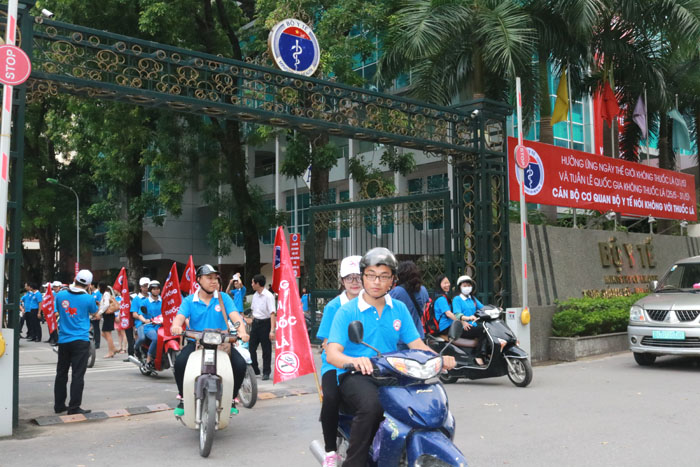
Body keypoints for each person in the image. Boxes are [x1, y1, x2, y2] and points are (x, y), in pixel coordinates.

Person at [326, 248, 456, 467]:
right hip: (356, 374)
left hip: (394, 371)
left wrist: (440, 359)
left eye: (384, 276)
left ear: (392, 280)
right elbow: (332, 353)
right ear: (363, 276)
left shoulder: (399, 308)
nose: (377, 281)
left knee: (425, 404)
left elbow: (416, 344)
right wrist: (354, 361)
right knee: (372, 406)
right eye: (370, 275)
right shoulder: (347, 311)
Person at [171, 264, 248, 416]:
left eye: (216, 278)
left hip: (222, 343)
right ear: (199, 280)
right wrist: (176, 326)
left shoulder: (223, 298)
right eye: (209, 278)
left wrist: (242, 331)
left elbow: (235, 317)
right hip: (196, 343)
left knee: (240, 365)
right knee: (180, 364)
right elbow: (179, 317)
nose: (214, 282)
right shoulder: (189, 301)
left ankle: (232, 398)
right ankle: (183, 398)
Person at [315, 255, 363, 467]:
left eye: (359, 277)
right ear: (342, 281)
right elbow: (326, 341)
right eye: (349, 277)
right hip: (335, 364)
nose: (355, 282)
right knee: (331, 398)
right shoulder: (333, 307)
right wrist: (340, 355)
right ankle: (330, 451)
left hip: (367, 361)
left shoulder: (374, 303)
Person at [53, 269, 98, 415]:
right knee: (78, 375)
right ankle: (74, 407)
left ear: (75, 278)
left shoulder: (60, 295)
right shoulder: (88, 299)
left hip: (64, 340)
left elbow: (58, 311)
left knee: (61, 373)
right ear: (89, 284)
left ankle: (59, 405)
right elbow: (94, 313)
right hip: (80, 340)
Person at [389, 261, 430, 343]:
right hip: (418, 334)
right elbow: (425, 308)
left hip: (401, 337)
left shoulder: (397, 292)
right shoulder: (423, 290)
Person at [452, 275, 486, 365]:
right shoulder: (457, 299)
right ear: (460, 287)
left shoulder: (473, 299)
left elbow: (483, 308)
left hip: (474, 324)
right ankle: (478, 355)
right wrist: (467, 319)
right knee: (482, 331)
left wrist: (496, 309)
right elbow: (457, 314)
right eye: (464, 285)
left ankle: (487, 353)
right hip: (463, 327)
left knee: (488, 329)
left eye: (468, 285)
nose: (467, 287)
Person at [249, 273, 276, 380]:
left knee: (266, 350)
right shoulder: (255, 295)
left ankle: (266, 372)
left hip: (265, 324)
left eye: (253, 282)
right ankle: (255, 369)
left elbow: (272, 313)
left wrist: (272, 330)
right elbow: (253, 310)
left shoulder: (268, 296)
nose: (252, 284)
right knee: (251, 348)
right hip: (256, 324)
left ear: (258, 283)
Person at [140, 280, 163, 370]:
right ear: (150, 290)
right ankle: (149, 359)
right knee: (156, 338)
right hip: (149, 326)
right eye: (154, 289)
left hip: (162, 325)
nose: (156, 291)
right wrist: (144, 320)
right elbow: (140, 314)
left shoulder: (163, 300)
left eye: (158, 289)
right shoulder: (145, 302)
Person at [98, 282, 117, 358]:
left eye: (99, 287)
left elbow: (106, 305)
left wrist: (100, 312)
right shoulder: (105, 294)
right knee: (103, 333)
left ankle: (111, 352)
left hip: (108, 314)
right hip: (107, 315)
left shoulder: (106, 294)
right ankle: (113, 348)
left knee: (107, 334)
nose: (98, 289)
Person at [132, 277, 150, 357]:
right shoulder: (136, 299)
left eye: (147, 286)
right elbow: (134, 314)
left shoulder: (153, 297)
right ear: (140, 287)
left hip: (154, 322)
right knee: (142, 338)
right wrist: (143, 319)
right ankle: (136, 348)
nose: (146, 288)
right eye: (144, 286)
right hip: (141, 323)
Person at [90, 282, 102, 349]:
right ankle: (93, 341)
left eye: (90, 285)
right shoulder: (92, 293)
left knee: (96, 328)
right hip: (92, 313)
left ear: (93, 285)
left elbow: (100, 303)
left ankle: (97, 343)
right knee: (92, 327)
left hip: (96, 312)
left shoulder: (98, 293)